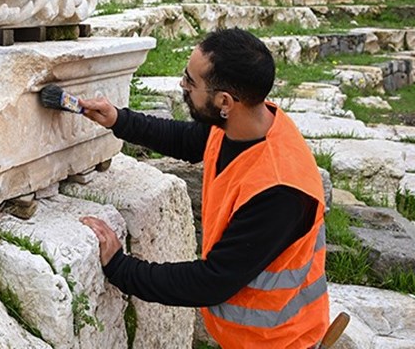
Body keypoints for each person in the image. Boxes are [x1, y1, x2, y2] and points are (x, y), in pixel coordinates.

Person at [78, 28, 329, 349]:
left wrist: (119, 266)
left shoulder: (280, 192)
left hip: (279, 341)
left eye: (190, 81)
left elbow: (210, 282)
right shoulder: (243, 123)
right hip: (245, 336)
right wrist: (118, 119)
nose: (182, 86)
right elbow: (188, 139)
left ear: (224, 101)